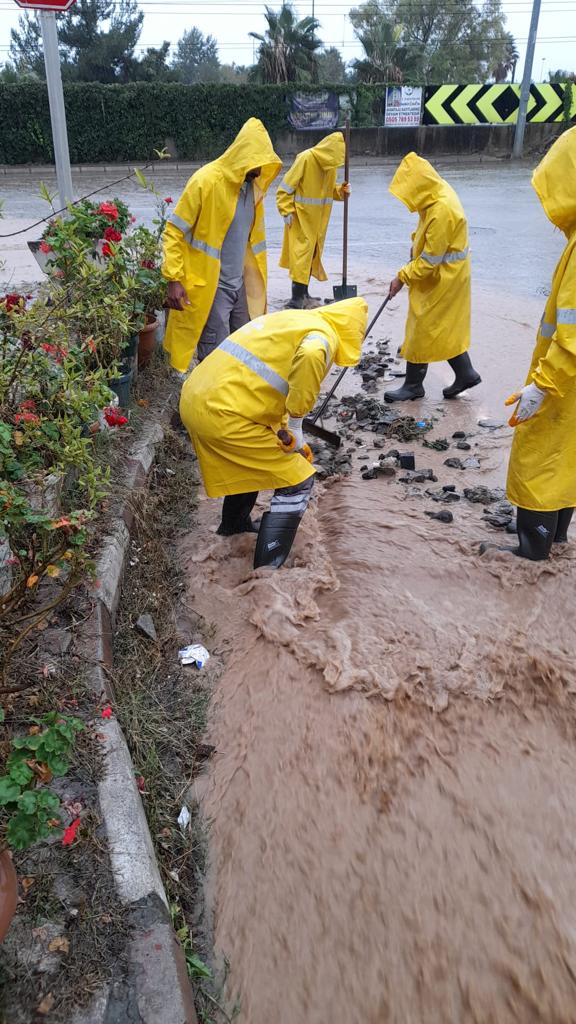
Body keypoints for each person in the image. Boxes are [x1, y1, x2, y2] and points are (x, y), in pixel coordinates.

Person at [180, 297, 368, 569]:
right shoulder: (322, 338)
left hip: (196, 398)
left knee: (249, 466)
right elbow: (312, 355)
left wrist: (286, 435)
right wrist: (295, 426)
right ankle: (268, 567)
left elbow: (262, 383)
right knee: (298, 481)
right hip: (223, 414)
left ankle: (234, 527)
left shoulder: (291, 321)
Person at [503, 125, 576, 561]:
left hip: (563, 381)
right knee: (565, 456)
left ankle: (531, 552)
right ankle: (558, 540)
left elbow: (572, 335)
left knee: (537, 455)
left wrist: (541, 386)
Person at [162, 118, 282, 372]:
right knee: (216, 360)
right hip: (212, 288)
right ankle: (206, 406)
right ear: (243, 156)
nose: (260, 171)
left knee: (246, 350)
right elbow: (173, 231)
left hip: (241, 286)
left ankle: (236, 405)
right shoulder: (206, 181)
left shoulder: (252, 189)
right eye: (256, 164)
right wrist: (174, 278)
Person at [384, 152, 481, 403]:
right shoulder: (435, 193)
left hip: (443, 278)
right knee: (442, 327)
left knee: (422, 326)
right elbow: (426, 230)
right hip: (448, 275)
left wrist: (402, 277)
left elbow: (429, 262)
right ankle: (465, 373)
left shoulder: (442, 209)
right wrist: (415, 243)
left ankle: (413, 385)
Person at [276, 132, 350, 309]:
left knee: (310, 257)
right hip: (300, 219)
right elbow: (284, 189)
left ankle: (304, 294)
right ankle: (296, 299)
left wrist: (341, 191)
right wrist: (286, 211)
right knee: (301, 258)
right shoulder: (306, 159)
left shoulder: (330, 166)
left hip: (317, 223)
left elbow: (329, 192)